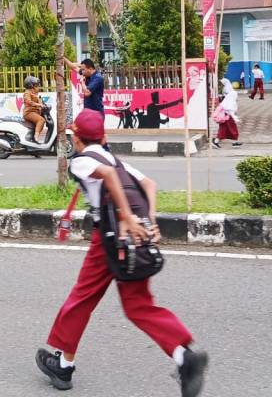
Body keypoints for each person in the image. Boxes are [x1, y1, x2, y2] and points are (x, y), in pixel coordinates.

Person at [36, 109, 208, 396]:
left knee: (82, 298)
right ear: (103, 137)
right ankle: (183, 356)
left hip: (108, 238)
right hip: (135, 237)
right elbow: (149, 184)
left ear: (76, 139)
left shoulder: (81, 162)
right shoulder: (117, 161)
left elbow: (105, 177)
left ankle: (63, 366)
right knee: (139, 305)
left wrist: (126, 215)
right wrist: (148, 219)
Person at [212, 78, 241, 148]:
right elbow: (230, 108)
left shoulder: (228, 95)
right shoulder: (232, 95)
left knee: (223, 129)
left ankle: (216, 141)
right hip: (227, 116)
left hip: (225, 116)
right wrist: (235, 118)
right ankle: (234, 142)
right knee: (232, 129)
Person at [23, 76, 48, 143]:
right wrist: (39, 105)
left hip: (35, 112)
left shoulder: (35, 94)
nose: (38, 87)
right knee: (41, 120)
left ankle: (34, 137)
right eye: (36, 85)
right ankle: (36, 137)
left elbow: (41, 102)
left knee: (42, 122)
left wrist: (44, 105)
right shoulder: (27, 93)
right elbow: (28, 101)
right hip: (29, 113)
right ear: (31, 86)